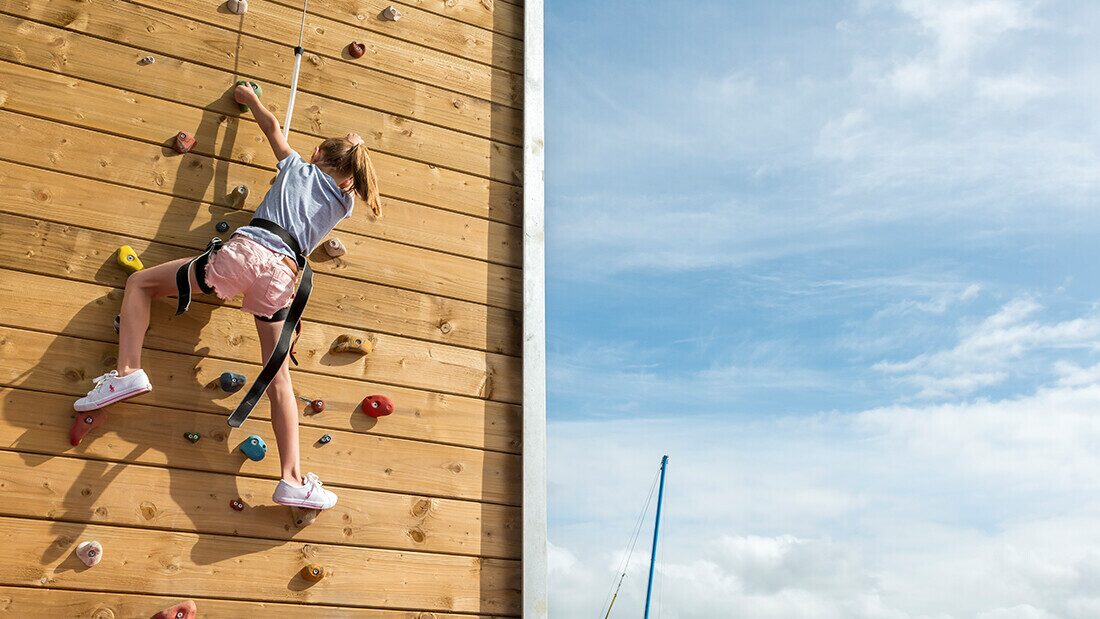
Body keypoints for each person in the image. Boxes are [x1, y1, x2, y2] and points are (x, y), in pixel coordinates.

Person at [73, 83, 382, 510]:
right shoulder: (343, 204)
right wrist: (351, 154)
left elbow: (272, 126)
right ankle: (291, 478)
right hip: (284, 277)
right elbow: (344, 173)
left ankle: (128, 370)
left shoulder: (295, 165)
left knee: (140, 284)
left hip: (250, 252)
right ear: (349, 179)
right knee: (279, 380)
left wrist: (248, 99)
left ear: (315, 155)